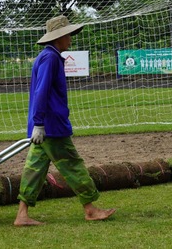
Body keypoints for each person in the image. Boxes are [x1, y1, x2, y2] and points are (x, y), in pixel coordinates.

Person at [14, 15, 116, 226]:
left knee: (34, 169)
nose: (71, 38)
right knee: (73, 165)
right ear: (58, 37)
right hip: (51, 126)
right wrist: (40, 123)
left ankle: (22, 215)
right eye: (68, 34)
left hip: (45, 126)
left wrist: (37, 123)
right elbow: (41, 92)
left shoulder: (47, 56)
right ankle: (90, 209)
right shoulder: (50, 58)